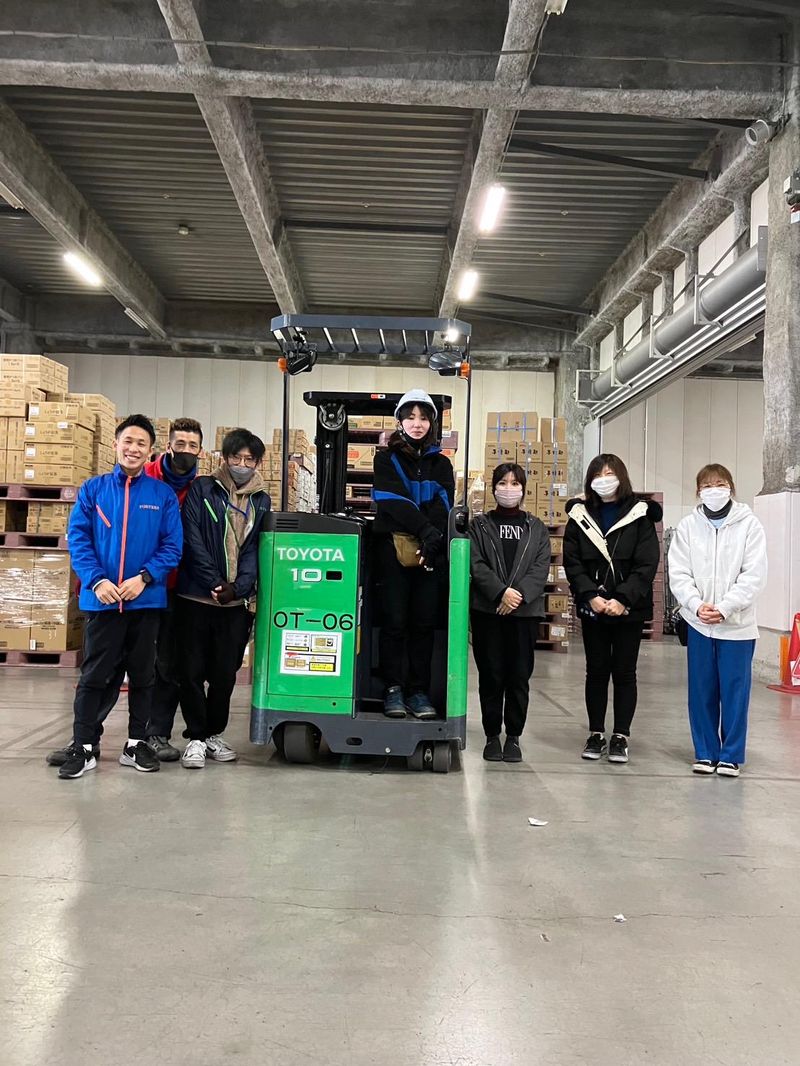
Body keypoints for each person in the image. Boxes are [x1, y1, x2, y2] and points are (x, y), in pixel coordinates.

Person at [45, 416, 204, 767]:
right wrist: (97, 581)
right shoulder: (93, 490)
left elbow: (172, 546)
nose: (133, 448)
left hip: (144, 601)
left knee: (144, 676)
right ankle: (84, 745)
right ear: (116, 444)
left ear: (151, 451)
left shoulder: (161, 495)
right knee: (95, 676)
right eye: (128, 441)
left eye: (141, 444)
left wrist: (144, 578)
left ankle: (135, 744)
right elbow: (79, 540)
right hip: (102, 601)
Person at [175, 428, 270, 769]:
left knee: (225, 673)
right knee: (190, 671)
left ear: (257, 463)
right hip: (196, 597)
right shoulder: (203, 488)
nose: (242, 465)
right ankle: (195, 737)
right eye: (236, 458)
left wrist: (239, 587)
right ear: (224, 458)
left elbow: (256, 548)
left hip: (234, 605)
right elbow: (192, 538)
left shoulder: (261, 500)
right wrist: (214, 582)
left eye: (249, 459)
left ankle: (213, 733)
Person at [667, 463, 767, 778]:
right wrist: (696, 605)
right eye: (707, 485)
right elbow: (678, 572)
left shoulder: (749, 525)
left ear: (731, 488)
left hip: (737, 625)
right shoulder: (688, 527)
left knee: (735, 691)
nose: (714, 490)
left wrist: (725, 607)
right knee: (701, 690)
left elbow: (754, 575)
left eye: (720, 484)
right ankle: (705, 752)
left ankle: (730, 755)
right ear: (698, 492)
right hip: (698, 623)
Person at [563, 454, 661, 765]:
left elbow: (647, 563)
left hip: (629, 609)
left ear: (621, 477)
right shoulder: (579, 516)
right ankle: (595, 733)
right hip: (594, 607)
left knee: (624, 672)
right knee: (596, 671)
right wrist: (590, 596)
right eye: (598, 475)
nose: (604, 480)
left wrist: (623, 599)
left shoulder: (640, 515)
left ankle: (620, 736)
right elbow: (572, 561)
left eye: (610, 473)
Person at [372, 389, 455, 719]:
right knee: (394, 622)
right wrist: (427, 530)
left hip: (429, 552)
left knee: (423, 624)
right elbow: (392, 501)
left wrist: (432, 540)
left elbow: (444, 503)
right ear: (400, 422)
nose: (417, 424)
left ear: (432, 423)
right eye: (410, 417)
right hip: (392, 550)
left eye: (423, 418)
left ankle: (418, 691)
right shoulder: (385, 459)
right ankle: (393, 688)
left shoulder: (442, 464)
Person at [469, 463, 551, 762]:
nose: (508, 488)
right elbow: (475, 563)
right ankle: (492, 735)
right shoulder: (479, 526)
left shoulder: (537, 528)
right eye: (502, 483)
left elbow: (540, 567)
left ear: (523, 489)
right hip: (488, 611)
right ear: (493, 488)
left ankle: (514, 736)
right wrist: (500, 592)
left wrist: (518, 595)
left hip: (524, 613)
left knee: (518, 676)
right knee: (491, 675)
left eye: (515, 483)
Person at [144, 417, 204, 761]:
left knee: (168, 664)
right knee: (116, 662)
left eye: (192, 446)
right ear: (168, 446)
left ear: (201, 450)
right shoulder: (145, 479)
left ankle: (156, 733)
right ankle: (86, 738)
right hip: (137, 585)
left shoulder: (199, 488)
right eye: (180, 444)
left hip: (178, 589)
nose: (185, 450)